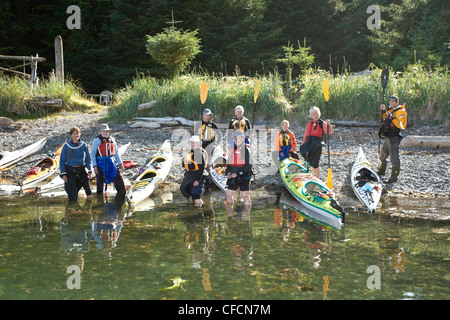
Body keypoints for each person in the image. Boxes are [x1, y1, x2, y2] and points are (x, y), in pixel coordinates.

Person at [378, 95, 407, 183]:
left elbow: (403, 125)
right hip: (388, 137)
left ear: (397, 102)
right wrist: (383, 111)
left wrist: (394, 119)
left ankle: (394, 177)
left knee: (394, 158)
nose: (391, 103)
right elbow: (384, 119)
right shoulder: (390, 111)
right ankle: (381, 171)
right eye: (390, 101)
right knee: (382, 155)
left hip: (394, 137)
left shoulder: (401, 112)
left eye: (393, 101)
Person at [59, 126, 93, 201]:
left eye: (77, 134)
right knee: (73, 196)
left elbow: (88, 159)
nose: (76, 135)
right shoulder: (66, 146)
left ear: (79, 135)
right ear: (71, 135)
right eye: (74, 134)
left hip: (81, 169)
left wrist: (90, 170)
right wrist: (63, 174)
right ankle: (73, 209)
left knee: (89, 191)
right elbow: (62, 161)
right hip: (70, 171)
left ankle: (90, 210)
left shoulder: (83, 145)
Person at [91, 124, 126, 195]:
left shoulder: (112, 140)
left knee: (118, 179)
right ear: (100, 131)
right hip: (100, 164)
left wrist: (120, 163)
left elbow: (116, 153)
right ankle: (99, 200)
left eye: (107, 131)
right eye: (104, 131)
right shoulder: (96, 141)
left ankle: (122, 194)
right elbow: (93, 154)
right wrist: (94, 166)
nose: (106, 133)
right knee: (100, 182)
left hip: (111, 163)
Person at [301, 106, 332, 178]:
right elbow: (306, 134)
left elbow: (328, 133)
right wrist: (304, 143)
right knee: (311, 162)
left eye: (316, 113)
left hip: (318, 144)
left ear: (319, 114)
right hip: (310, 143)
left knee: (315, 163)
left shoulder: (322, 123)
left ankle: (317, 179)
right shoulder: (310, 123)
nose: (315, 115)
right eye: (313, 113)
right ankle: (314, 176)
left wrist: (329, 125)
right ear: (311, 115)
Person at [225, 131, 253, 206]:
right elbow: (228, 163)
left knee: (245, 196)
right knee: (228, 194)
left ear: (243, 139)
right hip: (233, 176)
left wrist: (237, 173)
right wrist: (228, 172)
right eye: (235, 138)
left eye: (238, 138)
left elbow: (248, 166)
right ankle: (230, 215)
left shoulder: (246, 150)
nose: (236, 140)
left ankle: (246, 215)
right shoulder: (232, 149)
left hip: (244, 176)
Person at [180, 135, 208, 207]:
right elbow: (189, 167)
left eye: (195, 143)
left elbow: (201, 169)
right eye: (192, 143)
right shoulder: (191, 153)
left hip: (198, 176)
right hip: (191, 175)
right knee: (191, 193)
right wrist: (185, 175)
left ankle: (201, 210)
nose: (193, 144)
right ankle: (198, 209)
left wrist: (197, 180)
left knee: (196, 196)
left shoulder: (199, 153)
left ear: (199, 144)